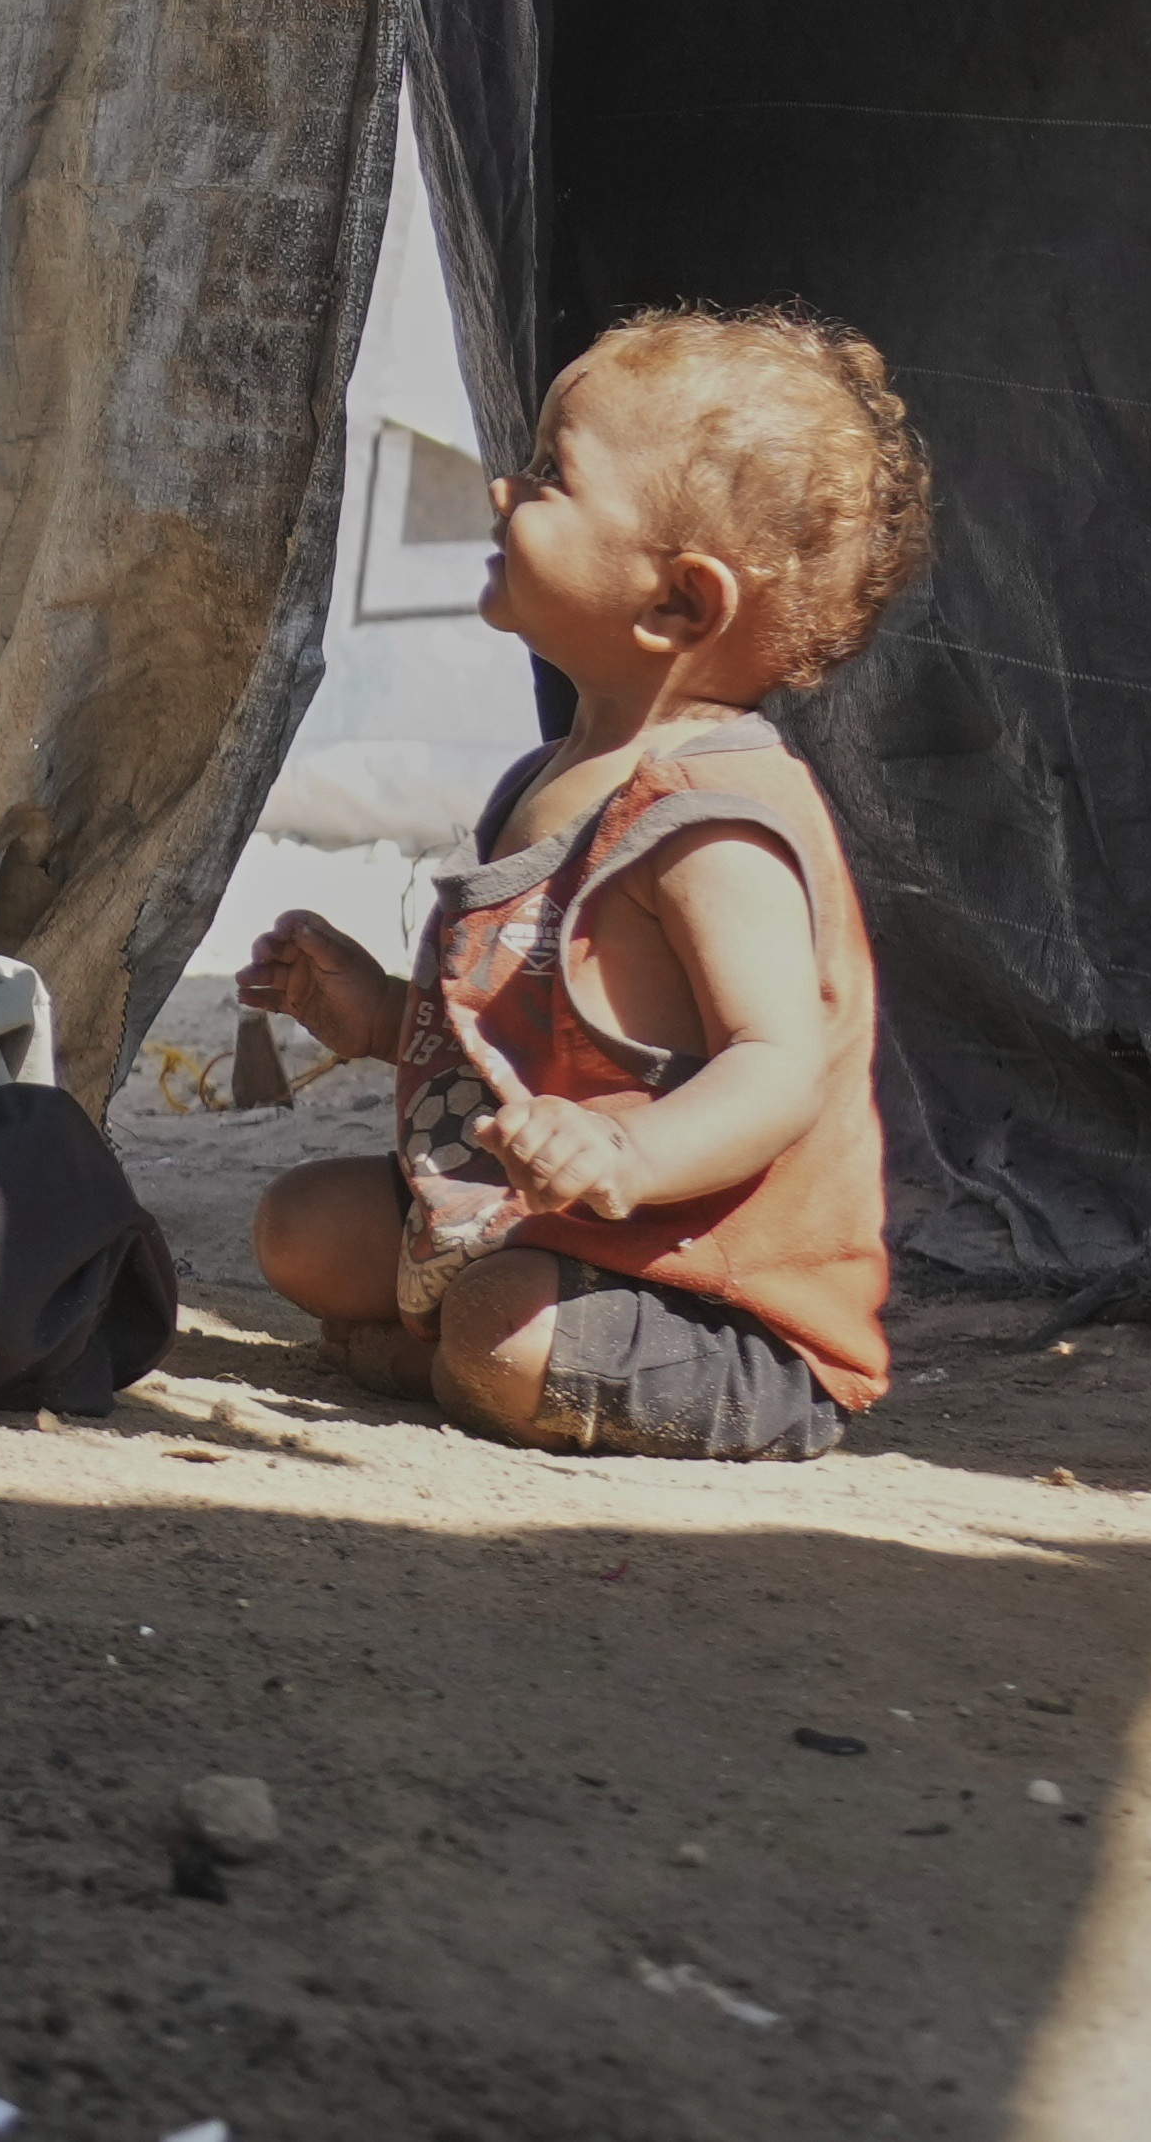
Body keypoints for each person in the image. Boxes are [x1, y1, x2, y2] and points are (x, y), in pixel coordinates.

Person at [231, 304, 930, 1458]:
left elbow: (776, 1068)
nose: (505, 491)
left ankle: (501, 1365)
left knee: (501, 1324)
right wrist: (378, 1020)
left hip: (705, 1291)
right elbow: (537, 1040)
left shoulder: (712, 825)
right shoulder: (548, 777)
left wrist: (631, 1156)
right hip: (535, 1222)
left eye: (553, 474)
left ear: (680, 602)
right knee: (302, 1226)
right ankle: (464, 1342)